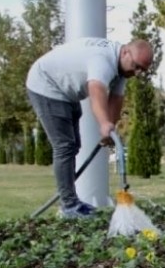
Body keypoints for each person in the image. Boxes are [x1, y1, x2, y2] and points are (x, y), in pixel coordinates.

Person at [26, 37, 154, 218]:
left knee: (73, 145)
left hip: (66, 92)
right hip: (46, 83)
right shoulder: (103, 60)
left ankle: (71, 201)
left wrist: (110, 127)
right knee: (65, 146)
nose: (138, 72)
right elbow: (96, 89)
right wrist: (103, 123)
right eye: (137, 66)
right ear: (126, 52)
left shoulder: (123, 68)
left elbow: (116, 99)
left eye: (143, 70)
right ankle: (69, 205)